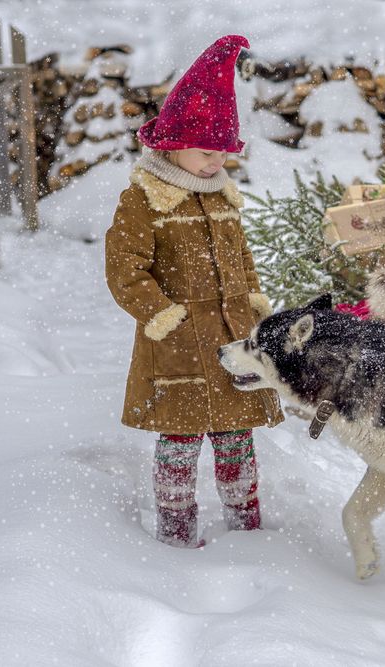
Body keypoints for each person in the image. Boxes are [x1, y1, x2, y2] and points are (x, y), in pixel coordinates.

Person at [104, 35, 282, 548]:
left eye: (223, 153)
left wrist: (252, 303)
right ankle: (177, 533)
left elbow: (242, 261)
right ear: (172, 143)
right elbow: (125, 270)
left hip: (231, 341)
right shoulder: (144, 198)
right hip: (178, 341)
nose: (214, 163)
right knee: (180, 441)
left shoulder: (221, 194)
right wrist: (163, 316)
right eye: (206, 152)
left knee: (235, 437)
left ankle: (247, 531)